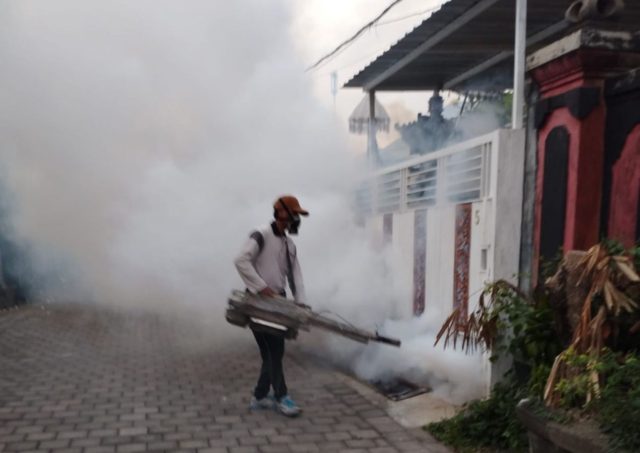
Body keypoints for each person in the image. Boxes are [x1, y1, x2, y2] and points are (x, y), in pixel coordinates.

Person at [234, 195, 309, 417]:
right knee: (273, 351)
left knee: (273, 352)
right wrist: (261, 287)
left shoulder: (289, 244)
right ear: (282, 212)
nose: (296, 219)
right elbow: (241, 260)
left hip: (279, 302)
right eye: (295, 214)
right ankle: (281, 397)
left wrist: (301, 304)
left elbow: (296, 277)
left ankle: (259, 396)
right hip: (257, 302)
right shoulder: (261, 234)